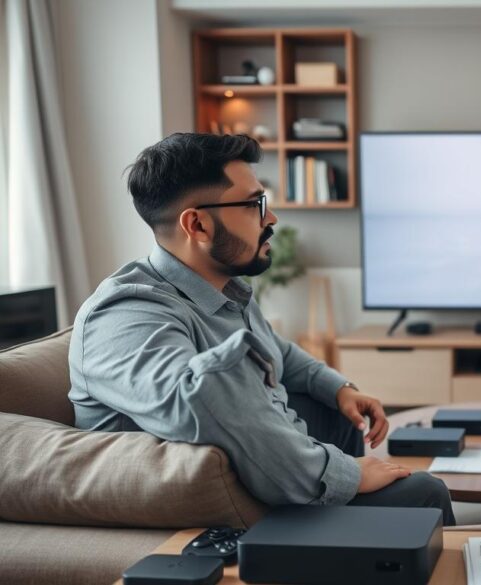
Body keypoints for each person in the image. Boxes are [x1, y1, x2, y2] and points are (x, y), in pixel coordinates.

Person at [69, 133, 455, 525]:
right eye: (256, 204)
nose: (271, 218)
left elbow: (276, 350)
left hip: (267, 476)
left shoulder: (225, 290)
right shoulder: (125, 313)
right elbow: (201, 403)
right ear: (198, 224)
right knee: (425, 493)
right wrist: (348, 473)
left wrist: (339, 388)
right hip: (221, 510)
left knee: (339, 417)